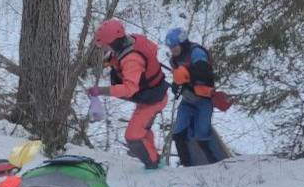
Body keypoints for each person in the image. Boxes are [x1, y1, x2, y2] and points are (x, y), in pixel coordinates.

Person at [86, 19, 169, 169]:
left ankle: (153, 165)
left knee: (133, 136)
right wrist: (110, 62)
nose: (104, 48)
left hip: (153, 100)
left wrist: (102, 91)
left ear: (114, 42)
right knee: (142, 130)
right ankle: (156, 159)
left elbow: (129, 88)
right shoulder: (128, 42)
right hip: (151, 95)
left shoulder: (132, 59)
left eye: (105, 45)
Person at [165, 27, 224, 166]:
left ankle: (218, 164)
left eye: (175, 46)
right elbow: (179, 80)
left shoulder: (196, 52)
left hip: (204, 100)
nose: (172, 50)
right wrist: (177, 86)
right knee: (178, 133)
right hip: (188, 100)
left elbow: (204, 71)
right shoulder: (174, 60)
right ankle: (187, 167)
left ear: (183, 42)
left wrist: (185, 74)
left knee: (202, 135)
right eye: (170, 47)